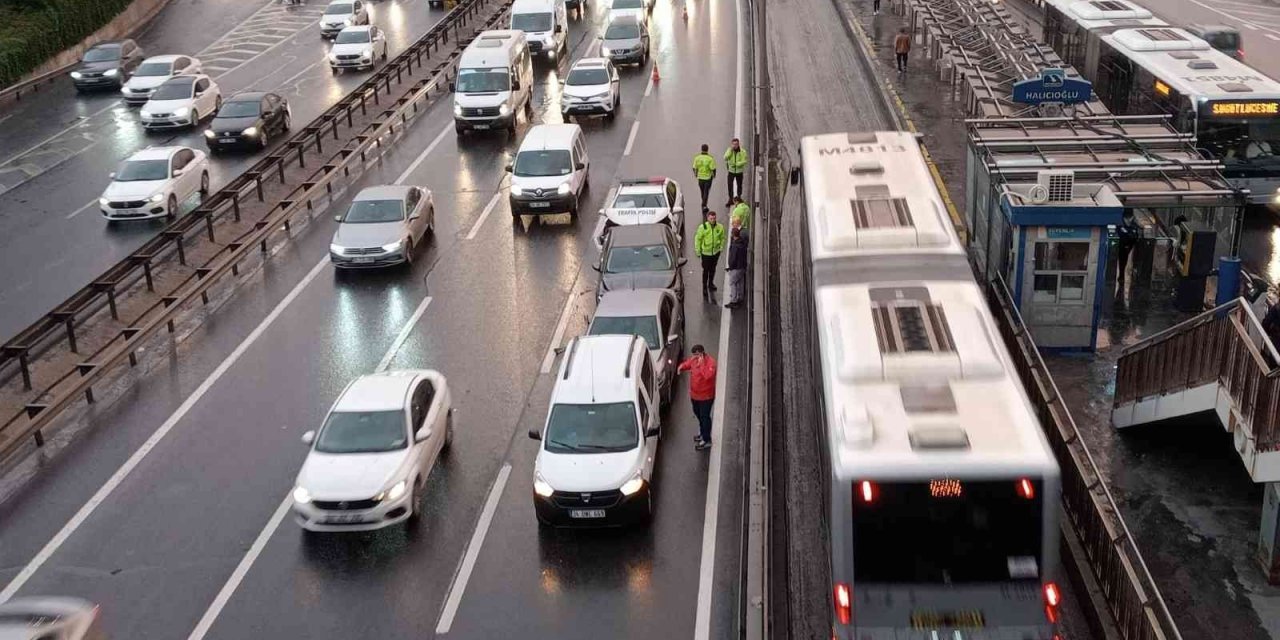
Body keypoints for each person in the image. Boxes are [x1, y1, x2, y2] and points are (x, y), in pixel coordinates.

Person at [678, 345, 717, 450]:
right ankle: (702, 432)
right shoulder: (694, 359)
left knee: (705, 417)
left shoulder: (711, 363)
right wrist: (681, 367)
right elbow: (688, 363)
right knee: (698, 414)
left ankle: (706, 439)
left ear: (701, 353)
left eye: (696, 355)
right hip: (695, 395)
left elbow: (708, 376)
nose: (694, 357)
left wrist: (702, 365)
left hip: (706, 396)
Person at [694, 211, 727, 300]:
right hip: (706, 253)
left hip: (715, 253)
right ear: (708, 218)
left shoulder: (719, 227)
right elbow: (698, 239)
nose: (712, 220)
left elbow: (723, 237)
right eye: (711, 218)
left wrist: (721, 248)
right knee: (706, 271)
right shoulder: (703, 228)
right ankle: (704, 286)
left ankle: (710, 283)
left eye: (714, 218)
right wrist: (698, 251)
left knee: (713, 269)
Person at [725, 227, 749, 308]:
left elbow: (733, 258)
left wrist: (730, 267)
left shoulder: (735, 245)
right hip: (742, 266)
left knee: (732, 282)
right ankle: (740, 297)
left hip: (736, 268)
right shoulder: (743, 243)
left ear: (732, 235)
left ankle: (734, 301)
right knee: (740, 282)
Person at [1115, 210, 1140, 283]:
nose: (1129, 220)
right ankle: (1121, 276)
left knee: (1125, 261)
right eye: (1128, 218)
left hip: (1130, 247)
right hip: (1122, 246)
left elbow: (1135, 236)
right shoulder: (1120, 225)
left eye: (1130, 218)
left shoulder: (1134, 225)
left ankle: (1123, 276)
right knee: (1122, 261)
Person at [723, 138, 748, 205]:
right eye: (733, 144)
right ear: (731, 144)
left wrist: (738, 164)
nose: (735, 146)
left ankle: (739, 197)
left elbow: (745, 161)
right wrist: (730, 151)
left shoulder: (742, 151)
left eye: (736, 144)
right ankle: (730, 199)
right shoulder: (729, 150)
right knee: (730, 185)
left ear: (738, 144)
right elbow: (725, 157)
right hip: (731, 171)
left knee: (739, 185)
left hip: (739, 171)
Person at [693, 144, 717, 212]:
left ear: (701, 149)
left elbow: (694, 167)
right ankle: (704, 204)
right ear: (707, 149)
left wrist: (696, 174)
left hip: (700, 177)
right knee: (706, 191)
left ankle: (703, 202)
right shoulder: (710, 158)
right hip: (708, 178)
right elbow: (713, 168)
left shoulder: (697, 158)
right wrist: (714, 175)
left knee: (702, 191)